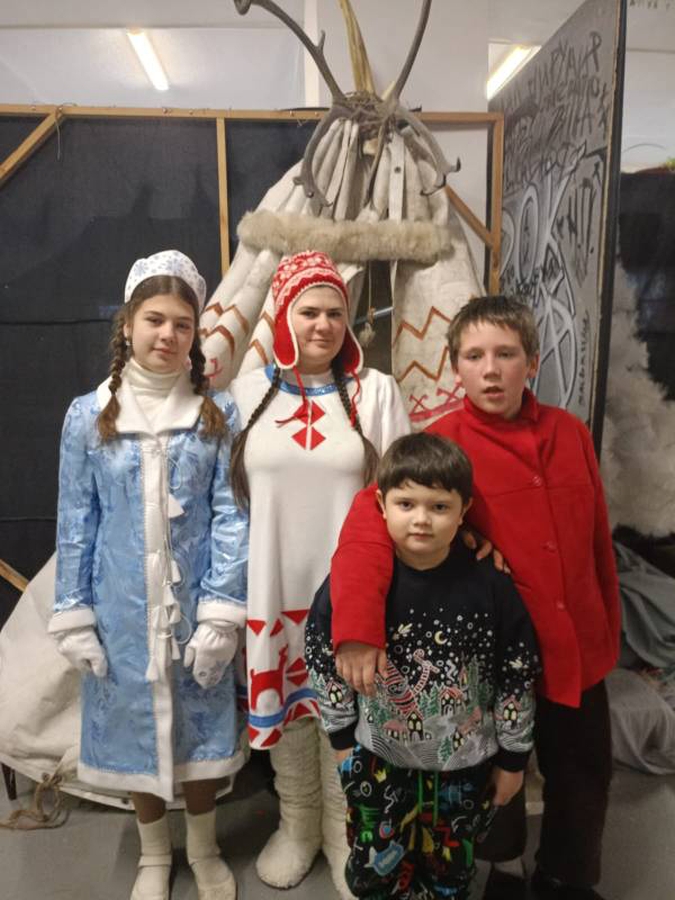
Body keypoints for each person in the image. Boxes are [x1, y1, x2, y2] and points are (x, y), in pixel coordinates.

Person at [329, 296, 621, 900]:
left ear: (531, 362)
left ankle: (566, 875)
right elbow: (368, 523)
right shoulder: (440, 443)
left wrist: (607, 629)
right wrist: (357, 627)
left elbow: (597, 541)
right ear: (454, 366)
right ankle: (503, 870)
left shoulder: (570, 433)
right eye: (474, 356)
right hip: (497, 653)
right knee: (495, 771)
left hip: (577, 648)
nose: (491, 370)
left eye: (506, 354)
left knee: (583, 772)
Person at [49, 250, 248, 900]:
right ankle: (154, 855)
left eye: (182, 324)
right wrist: (74, 615)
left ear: (195, 335)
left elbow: (232, 516)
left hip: (196, 611)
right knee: (136, 731)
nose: (167, 335)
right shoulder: (88, 416)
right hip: (121, 615)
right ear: (128, 324)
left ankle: (205, 848)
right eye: (155, 320)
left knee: (201, 728)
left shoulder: (218, 414)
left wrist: (222, 614)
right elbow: (75, 519)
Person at [228, 250, 411, 898]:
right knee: (293, 716)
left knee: (350, 716)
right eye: (309, 311)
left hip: (350, 595)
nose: (324, 324)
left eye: (336, 312)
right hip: (270, 588)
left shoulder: (375, 393)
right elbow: (227, 502)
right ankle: (298, 823)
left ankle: (343, 830)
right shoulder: (244, 396)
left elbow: (403, 495)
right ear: (283, 316)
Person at [305, 432, 540, 900]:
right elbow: (321, 655)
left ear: (464, 509)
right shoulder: (352, 583)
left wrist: (514, 759)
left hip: (466, 767)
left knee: (450, 877)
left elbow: (518, 672)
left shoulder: (490, 583)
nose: (421, 519)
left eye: (439, 506)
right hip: (376, 762)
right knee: (374, 873)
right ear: (381, 504)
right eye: (406, 503)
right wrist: (341, 741)